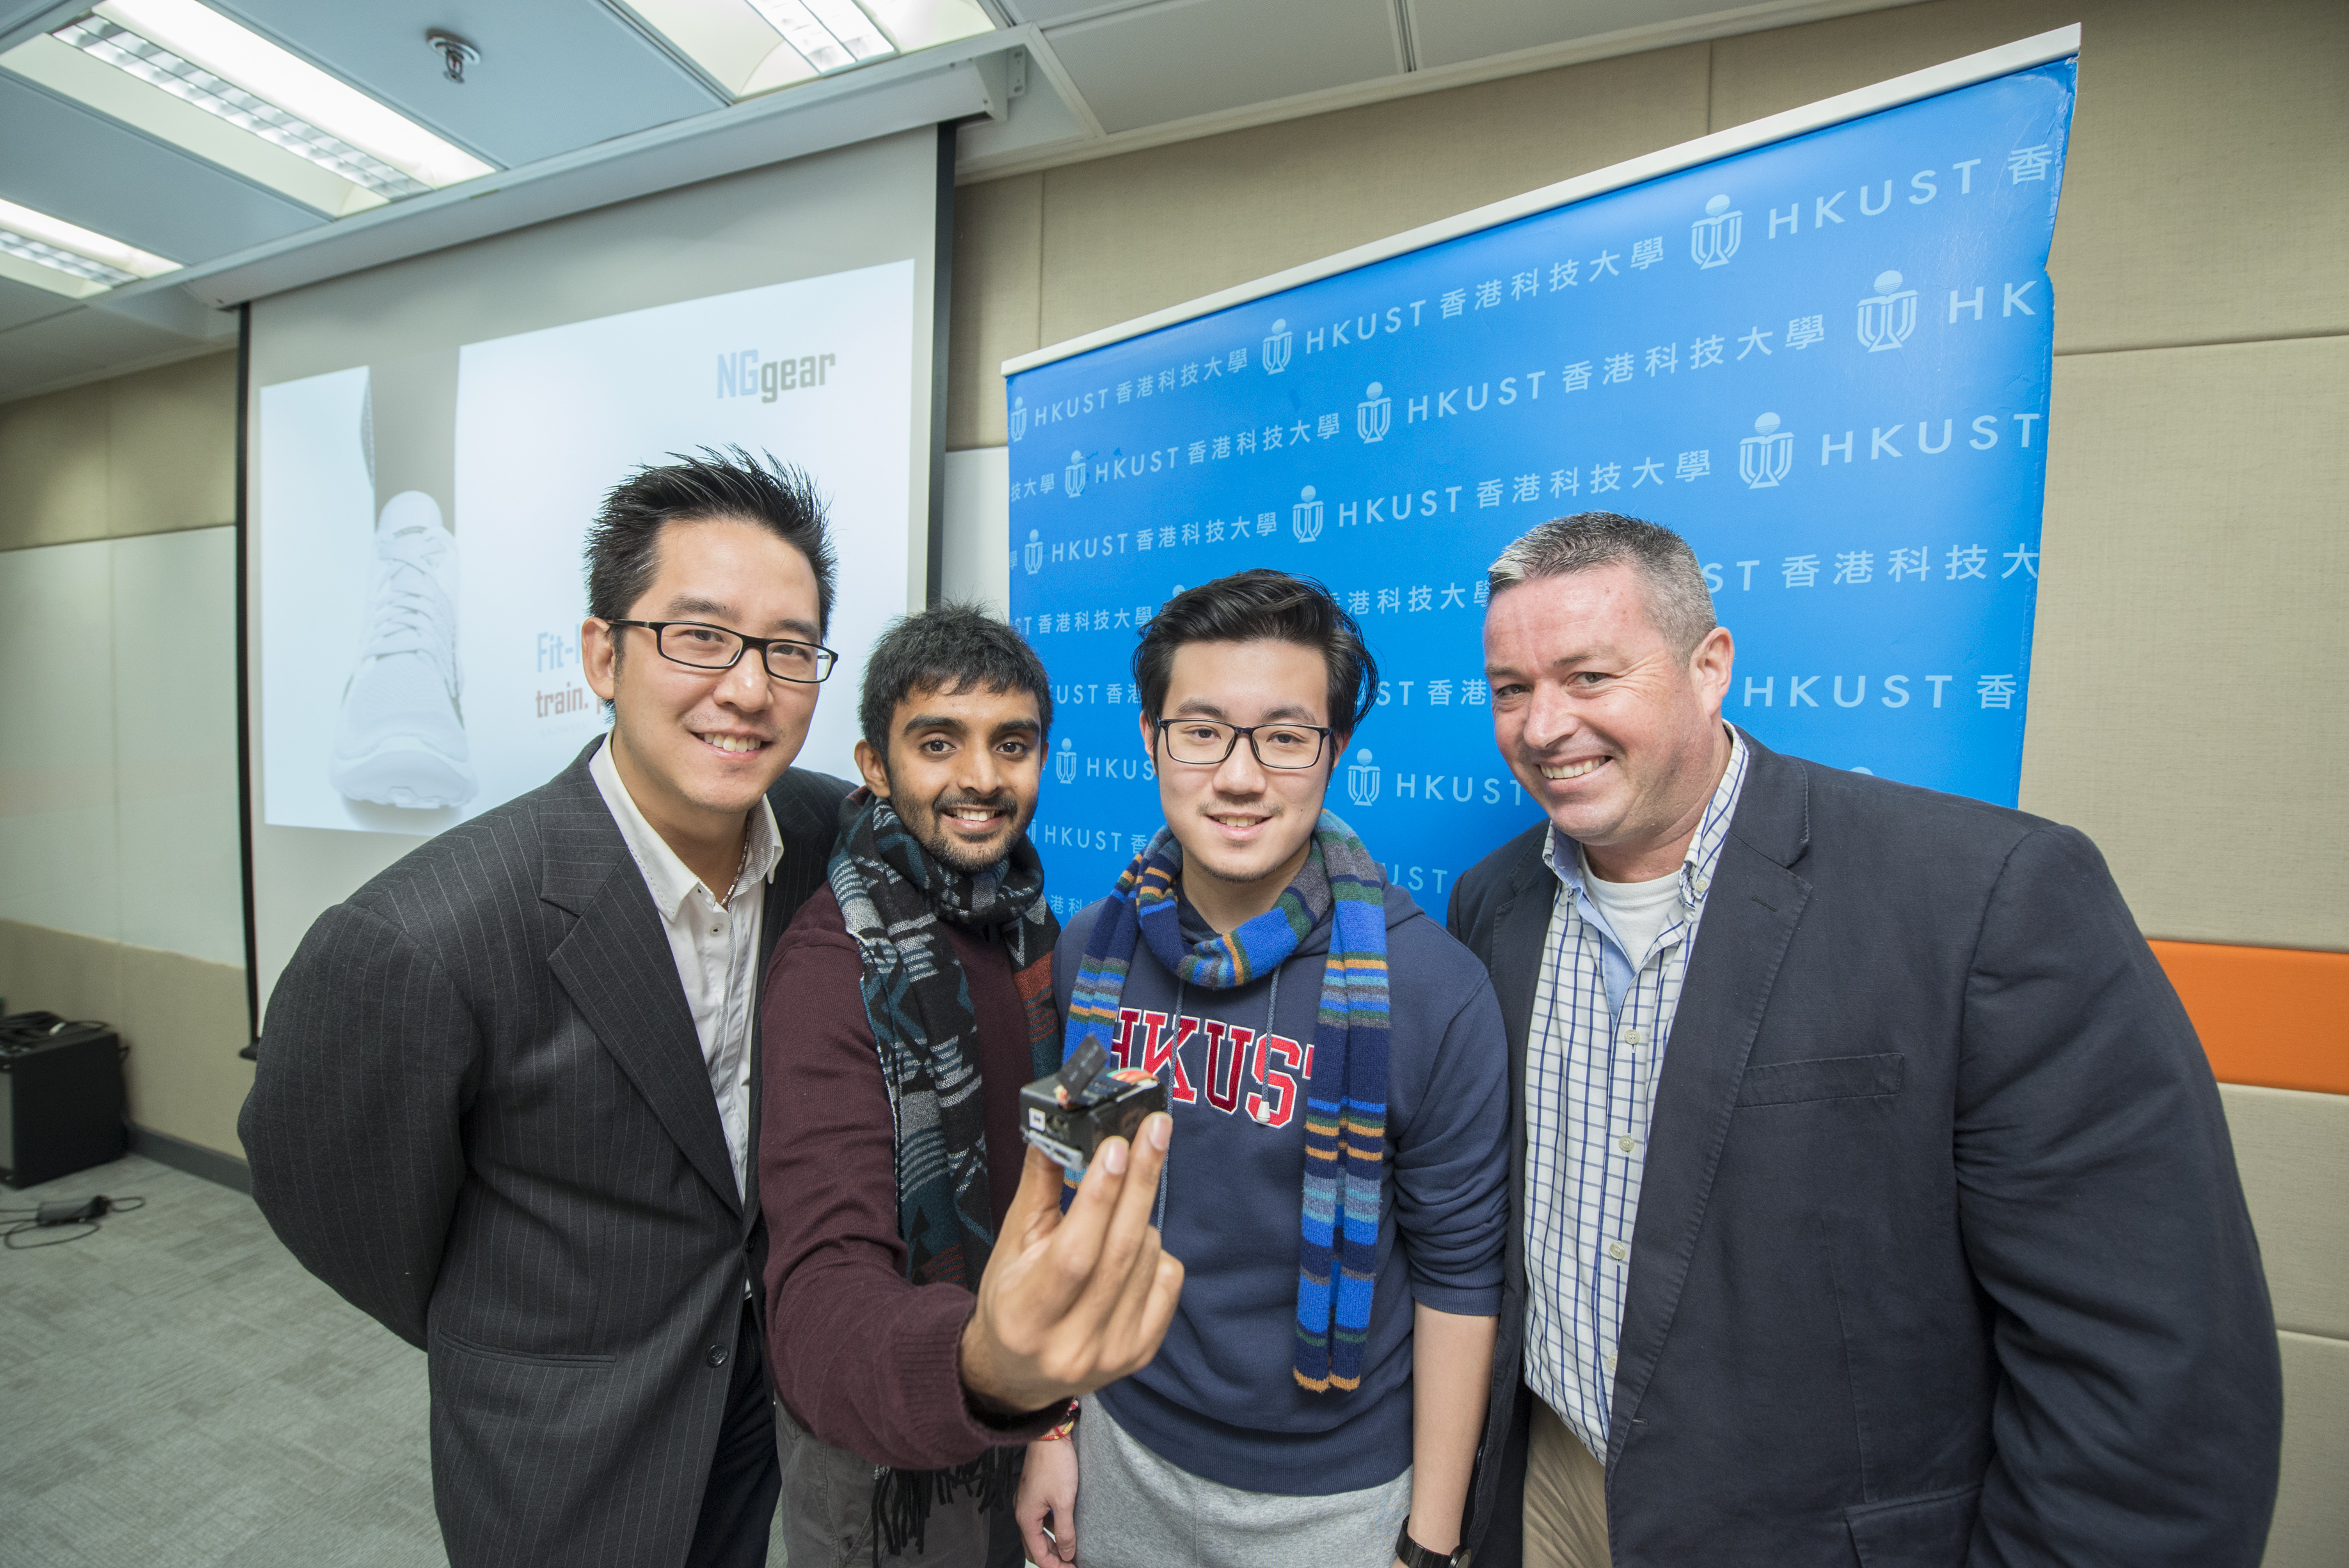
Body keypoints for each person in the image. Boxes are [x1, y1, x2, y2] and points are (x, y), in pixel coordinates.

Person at [1445, 512, 2283, 1567]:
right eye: (1510, 689)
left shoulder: (1984, 898)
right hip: (1552, 1492)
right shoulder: (1495, 903)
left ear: (1711, 668)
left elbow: (2150, 1373)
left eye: (1588, 676)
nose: (1543, 724)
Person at [242, 449, 857, 1568]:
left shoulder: (830, 838)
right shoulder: (420, 935)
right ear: (601, 656)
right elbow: (329, 1194)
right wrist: (505, 1338)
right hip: (562, 1443)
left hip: (760, 1393)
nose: (750, 688)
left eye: (788, 649)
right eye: (700, 636)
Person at [1031, 569, 1509, 1568]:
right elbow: (1074, 1210)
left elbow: (1460, 1279)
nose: (1239, 777)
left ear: (1332, 752)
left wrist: (1432, 1541)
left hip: (1338, 1498)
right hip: (1126, 1445)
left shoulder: (1431, 989)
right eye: (1200, 730)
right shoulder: (1093, 954)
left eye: (1285, 738)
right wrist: (1053, 1428)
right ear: (1151, 736)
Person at [759, 603, 1183, 1568]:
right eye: (938, 743)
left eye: (1013, 744)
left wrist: (1041, 1421)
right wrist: (993, 1369)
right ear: (875, 766)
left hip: (1012, 1409)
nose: (982, 779)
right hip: (878, 1451)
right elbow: (820, 1297)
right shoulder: (832, 968)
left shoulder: (1034, 926)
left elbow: (1042, 1200)